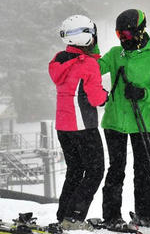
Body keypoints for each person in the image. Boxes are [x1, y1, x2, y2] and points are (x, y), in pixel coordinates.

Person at [98, 9, 150, 229]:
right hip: (114, 123)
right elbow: (95, 69)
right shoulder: (114, 54)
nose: (123, 39)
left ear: (140, 31)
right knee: (116, 169)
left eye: (127, 35)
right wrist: (87, 53)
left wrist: (143, 94)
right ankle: (112, 216)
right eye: (119, 34)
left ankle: (145, 213)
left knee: (142, 169)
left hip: (142, 122)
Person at [49, 15, 108, 230]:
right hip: (83, 127)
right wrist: (106, 94)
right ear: (86, 38)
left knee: (75, 170)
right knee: (95, 170)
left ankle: (64, 215)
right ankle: (73, 217)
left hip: (63, 127)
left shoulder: (59, 59)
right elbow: (95, 98)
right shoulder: (88, 64)